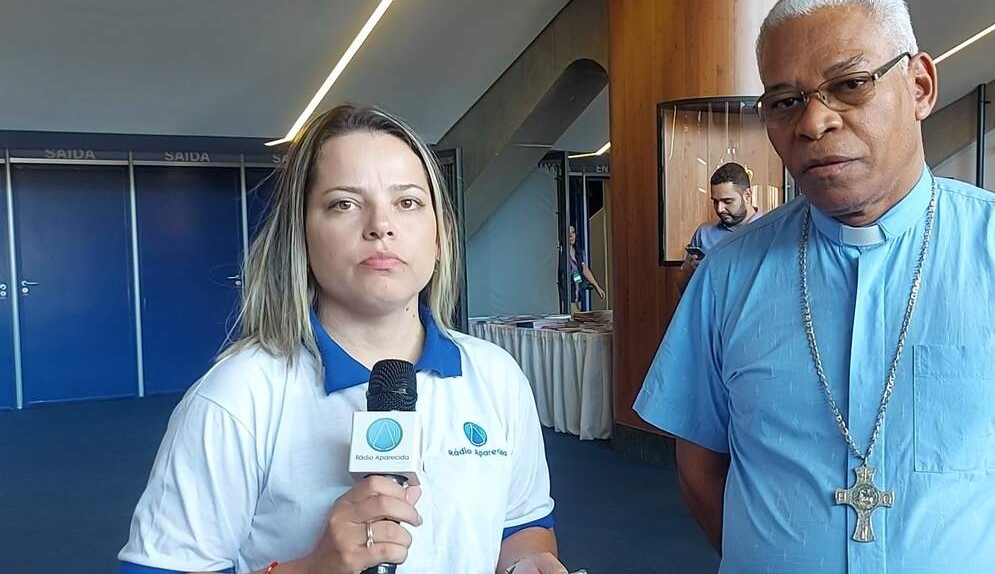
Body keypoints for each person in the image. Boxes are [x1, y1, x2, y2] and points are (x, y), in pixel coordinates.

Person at [634, 0, 995, 574]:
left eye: (849, 85)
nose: (813, 122)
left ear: (920, 86)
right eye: (785, 102)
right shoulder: (727, 276)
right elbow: (701, 474)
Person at [118, 105, 569, 574]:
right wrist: (315, 568)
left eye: (407, 202)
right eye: (344, 204)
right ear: (301, 237)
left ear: (440, 238)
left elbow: (522, 525)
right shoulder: (237, 396)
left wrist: (525, 564)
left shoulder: (496, 375)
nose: (380, 225)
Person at [681, 162, 761, 273]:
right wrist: (688, 271)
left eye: (727, 201)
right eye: (715, 201)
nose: (719, 209)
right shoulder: (703, 233)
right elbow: (682, 282)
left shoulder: (769, 232)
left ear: (747, 195)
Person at [566, 224, 605, 311]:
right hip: (567, 298)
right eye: (568, 233)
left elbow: (585, 270)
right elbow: (573, 272)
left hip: (578, 297)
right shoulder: (562, 253)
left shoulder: (580, 252)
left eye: (573, 232)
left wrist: (597, 287)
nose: (571, 236)